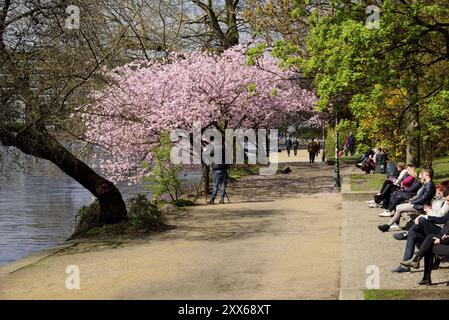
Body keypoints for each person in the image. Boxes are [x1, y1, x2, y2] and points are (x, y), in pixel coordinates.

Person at [396, 190, 449, 277]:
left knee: (422, 223)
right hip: (440, 230)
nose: (447, 202)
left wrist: (442, 240)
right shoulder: (442, 201)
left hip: (441, 233)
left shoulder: (445, 205)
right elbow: (442, 219)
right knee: (413, 234)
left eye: (448, 200)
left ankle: (416, 259)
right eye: (446, 200)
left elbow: (441, 218)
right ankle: (407, 265)